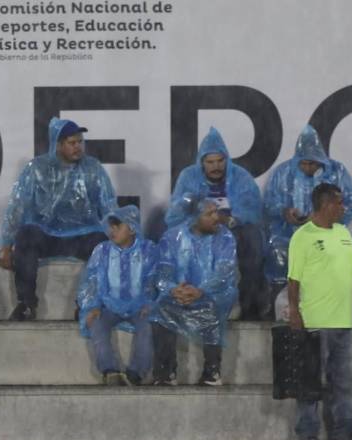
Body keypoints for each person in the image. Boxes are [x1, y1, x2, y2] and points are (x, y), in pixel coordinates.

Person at [0, 117, 117, 321]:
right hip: (47, 236)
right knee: (26, 235)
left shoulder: (93, 168)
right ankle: (26, 303)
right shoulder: (36, 168)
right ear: (58, 145)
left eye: (80, 142)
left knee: (102, 243)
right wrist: (6, 245)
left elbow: (108, 205)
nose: (78, 147)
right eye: (72, 143)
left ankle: (87, 305)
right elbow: (17, 206)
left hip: (82, 236)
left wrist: (120, 236)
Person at [287, 182, 352, 440]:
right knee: (310, 382)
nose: (343, 208)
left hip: (342, 323)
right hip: (314, 323)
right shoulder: (302, 237)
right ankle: (308, 434)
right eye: (339, 202)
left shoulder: (344, 233)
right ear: (325, 205)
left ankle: (345, 435)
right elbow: (293, 280)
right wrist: (294, 311)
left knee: (343, 383)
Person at [166, 126, 264, 320]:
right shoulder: (188, 177)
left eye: (220, 161)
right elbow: (174, 214)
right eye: (210, 162)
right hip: (197, 230)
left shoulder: (240, 177)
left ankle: (245, 304)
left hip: (233, 229)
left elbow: (252, 210)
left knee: (251, 238)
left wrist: (230, 220)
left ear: (227, 160)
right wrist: (200, 221)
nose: (216, 166)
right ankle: (187, 298)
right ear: (201, 162)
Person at [263, 124, 352, 301]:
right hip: (288, 235)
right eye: (303, 163)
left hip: (327, 234)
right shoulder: (282, 173)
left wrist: (323, 219)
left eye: (312, 163)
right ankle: (279, 302)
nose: (307, 168)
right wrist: (284, 212)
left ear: (320, 160)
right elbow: (269, 203)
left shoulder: (337, 172)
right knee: (278, 253)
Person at [150, 199, 237, 386]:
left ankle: (212, 372)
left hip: (214, 293)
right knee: (161, 309)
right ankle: (165, 373)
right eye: (209, 214)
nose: (216, 217)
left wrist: (201, 290)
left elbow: (223, 274)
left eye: (216, 211)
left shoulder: (225, 237)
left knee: (212, 307)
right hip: (180, 294)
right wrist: (174, 289)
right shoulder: (172, 237)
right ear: (193, 218)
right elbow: (163, 272)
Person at [77, 205, 158, 385]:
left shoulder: (148, 250)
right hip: (109, 307)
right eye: (111, 227)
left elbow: (154, 279)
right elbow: (91, 281)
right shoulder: (102, 250)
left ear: (132, 228)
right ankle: (110, 371)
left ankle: (136, 373)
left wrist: (150, 303)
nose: (112, 231)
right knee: (96, 323)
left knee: (148, 326)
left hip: (140, 307)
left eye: (118, 227)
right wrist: (93, 306)